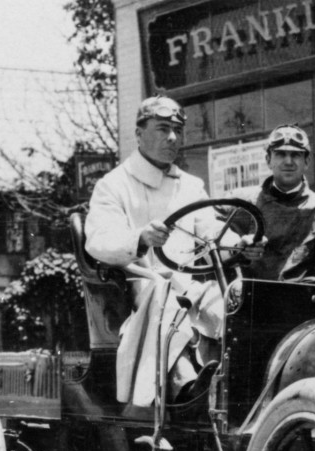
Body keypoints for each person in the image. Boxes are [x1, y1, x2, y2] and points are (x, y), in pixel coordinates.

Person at [85, 93, 226, 407]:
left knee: (233, 303)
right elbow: (98, 241)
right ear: (139, 134)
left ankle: (228, 382)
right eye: (163, 129)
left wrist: (237, 245)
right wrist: (140, 238)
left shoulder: (191, 186)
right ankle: (186, 387)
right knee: (167, 299)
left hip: (191, 284)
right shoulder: (114, 184)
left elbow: (211, 234)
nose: (173, 137)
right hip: (139, 288)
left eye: (177, 129)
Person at [233, 123, 315, 283]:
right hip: (247, 301)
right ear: (268, 160)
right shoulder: (243, 203)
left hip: (297, 303)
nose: (288, 161)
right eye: (280, 154)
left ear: (307, 162)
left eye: (296, 155)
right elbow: (207, 228)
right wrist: (236, 245)